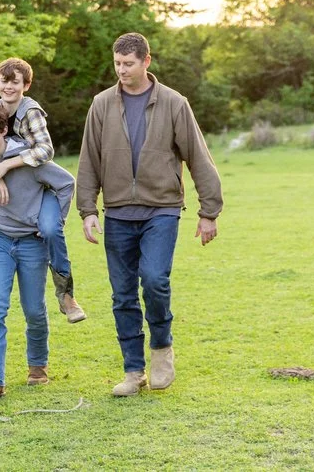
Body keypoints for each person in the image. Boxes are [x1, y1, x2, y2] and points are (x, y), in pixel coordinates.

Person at [76, 32, 223, 397]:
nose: (122, 71)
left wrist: (209, 212)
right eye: (117, 64)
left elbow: (198, 156)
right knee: (122, 294)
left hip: (162, 209)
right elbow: (88, 159)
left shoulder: (174, 103)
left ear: (146, 62)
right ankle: (132, 370)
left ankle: (161, 350)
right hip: (119, 212)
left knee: (155, 280)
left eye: (128, 64)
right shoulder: (102, 104)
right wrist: (87, 210)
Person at [0, 58, 86, 324]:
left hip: (35, 182)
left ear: (26, 84)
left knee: (50, 229)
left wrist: (7, 166)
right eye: (3, 80)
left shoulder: (30, 110)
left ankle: (66, 295)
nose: (8, 86)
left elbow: (45, 151)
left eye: (15, 81)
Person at [0, 101, 76, 401]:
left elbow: (66, 184)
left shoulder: (29, 160)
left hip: (31, 243)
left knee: (34, 310)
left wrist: (53, 221)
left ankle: (37, 365)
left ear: (3, 130)